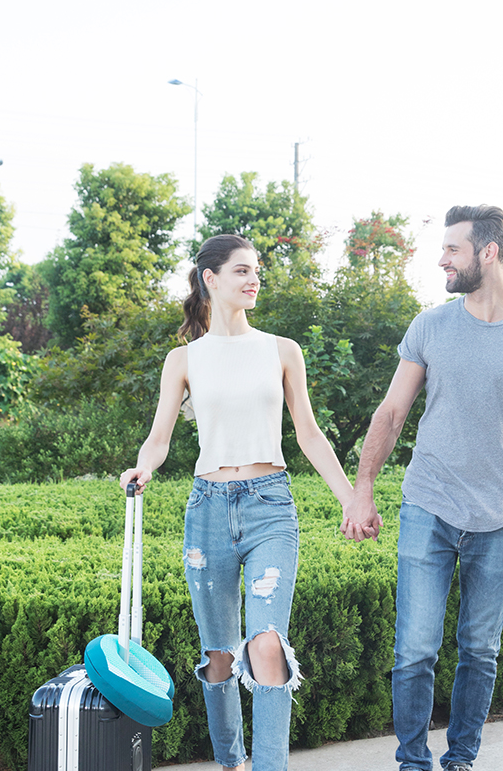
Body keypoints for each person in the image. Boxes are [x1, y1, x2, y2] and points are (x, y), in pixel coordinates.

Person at [341, 205, 503, 771]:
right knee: (414, 650)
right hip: (428, 505)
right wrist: (363, 488)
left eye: (452, 248)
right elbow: (392, 411)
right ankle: (413, 762)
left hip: (501, 515)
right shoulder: (431, 325)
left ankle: (462, 759)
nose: (442, 258)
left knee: (479, 649)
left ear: (488, 253)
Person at [120, 234, 353, 771]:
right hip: (207, 509)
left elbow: (310, 434)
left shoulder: (281, 349)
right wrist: (144, 467)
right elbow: (159, 437)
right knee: (219, 656)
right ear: (211, 278)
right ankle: (232, 763)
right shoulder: (183, 360)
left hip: (270, 504)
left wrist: (349, 499)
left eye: (257, 272)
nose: (254, 280)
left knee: (266, 642)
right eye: (242, 271)